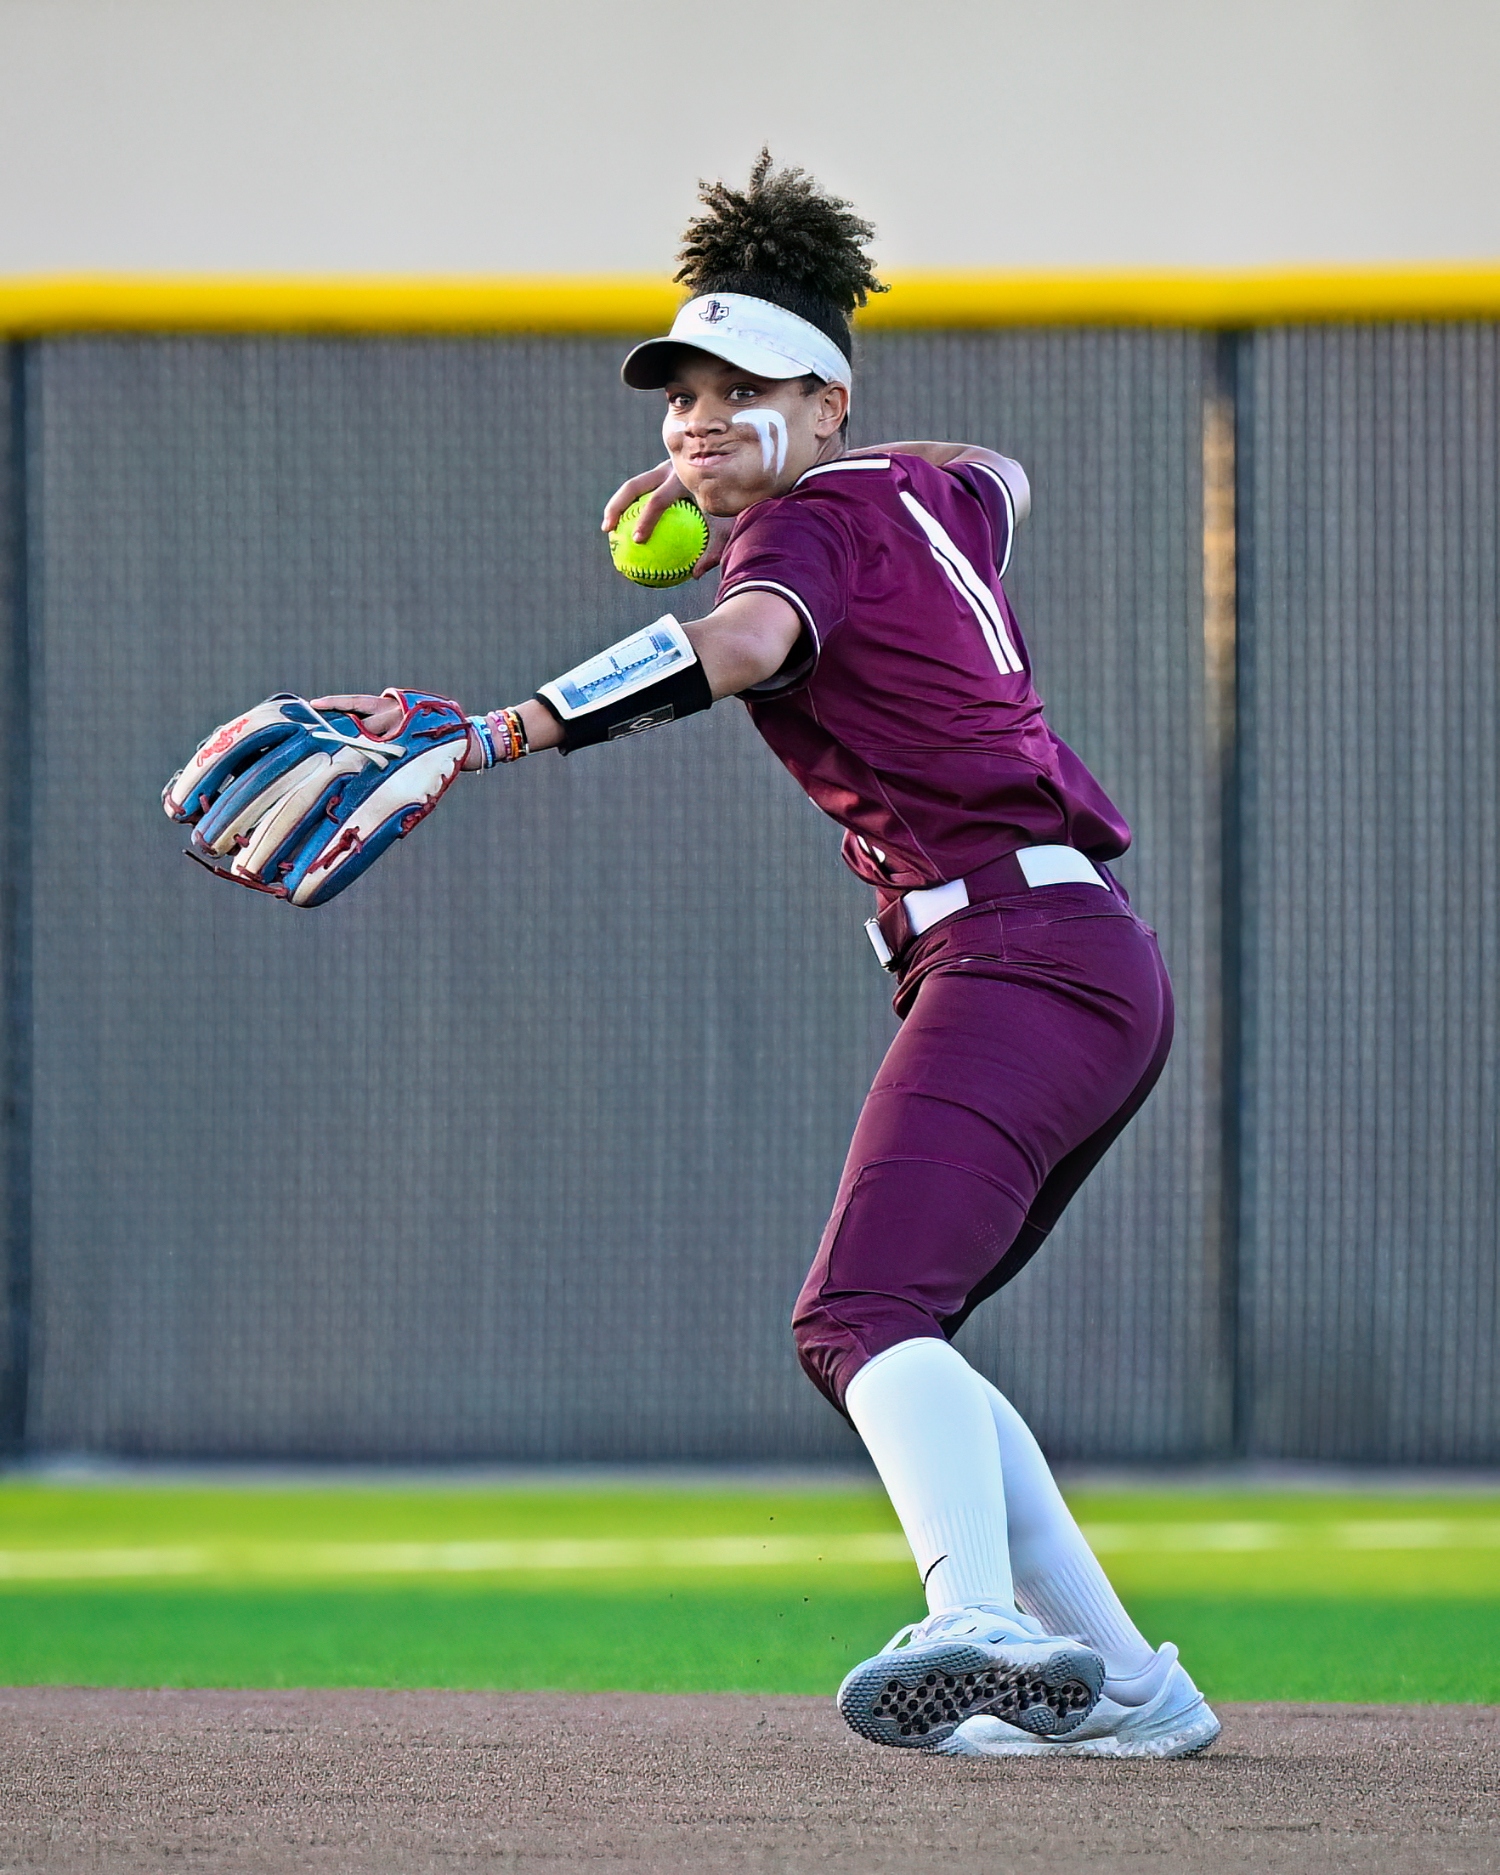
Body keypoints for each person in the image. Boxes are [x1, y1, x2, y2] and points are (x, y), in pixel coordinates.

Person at [317, 152, 1219, 1758]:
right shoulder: (924, 498)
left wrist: (502, 729)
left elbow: (743, 646)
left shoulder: (800, 533)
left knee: (857, 1313)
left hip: (1015, 954)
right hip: (1078, 958)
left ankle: (977, 1619)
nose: (698, 419)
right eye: (682, 396)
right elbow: (996, 466)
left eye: (744, 389)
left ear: (826, 402)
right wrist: (756, 468)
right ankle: (1132, 1689)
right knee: (905, 1326)